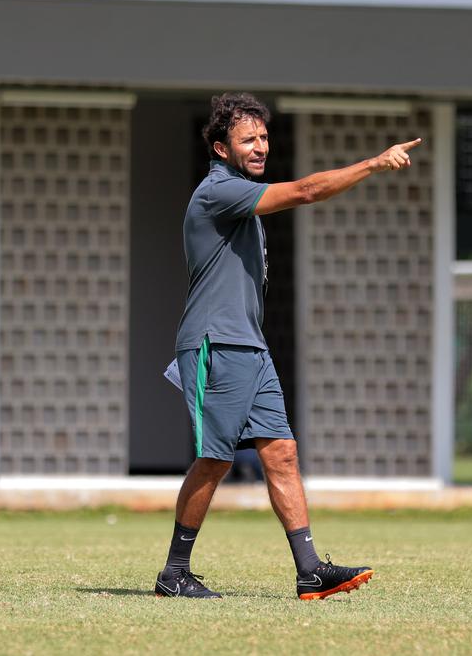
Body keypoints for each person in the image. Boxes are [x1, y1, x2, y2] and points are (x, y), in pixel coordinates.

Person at [154, 93, 421, 599]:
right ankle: (175, 571)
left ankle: (309, 569)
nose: (260, 147)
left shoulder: (242, 201)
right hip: (217, 344)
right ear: (220, 148)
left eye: (263, 137)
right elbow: (304, 191)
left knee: (281, 452)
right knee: (215, 459)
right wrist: (373, 162)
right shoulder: (219, 191)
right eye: (247, 139)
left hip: (251, 347)